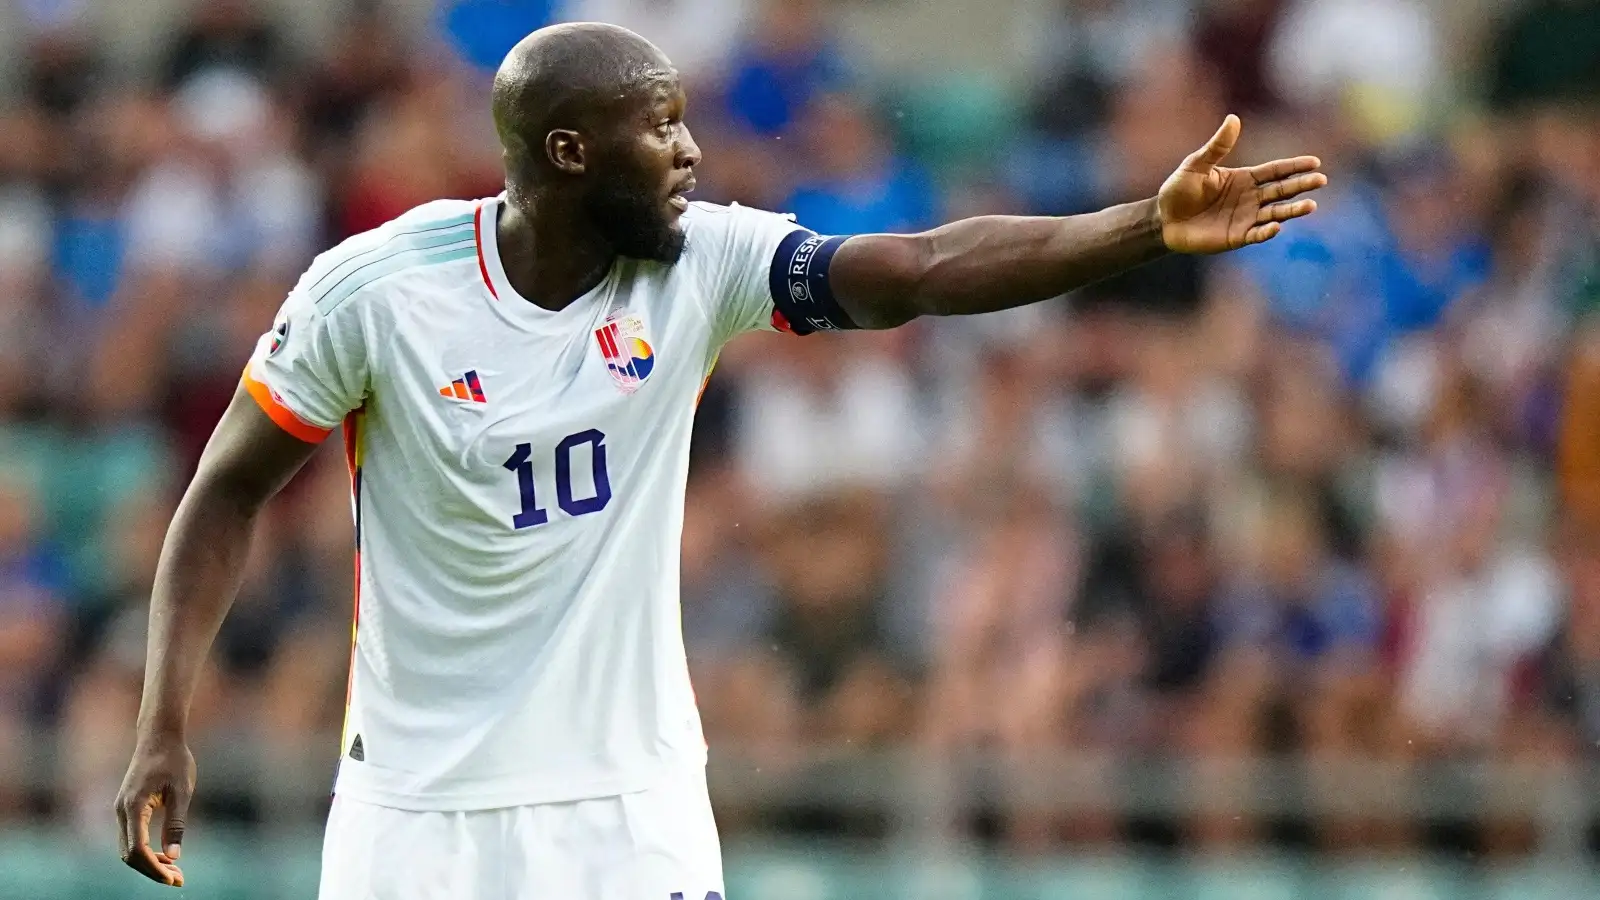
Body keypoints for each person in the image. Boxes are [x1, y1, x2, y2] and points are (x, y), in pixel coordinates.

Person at [114, 21, 1326, 898]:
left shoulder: (696, 262)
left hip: (634, 811)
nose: (691, 152)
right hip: (417, 820)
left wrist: (1139, 228)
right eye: (660, 127)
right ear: (569, 153)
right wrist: (164, 718)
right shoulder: (373, 293)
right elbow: (225, 493)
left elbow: (913, 271)